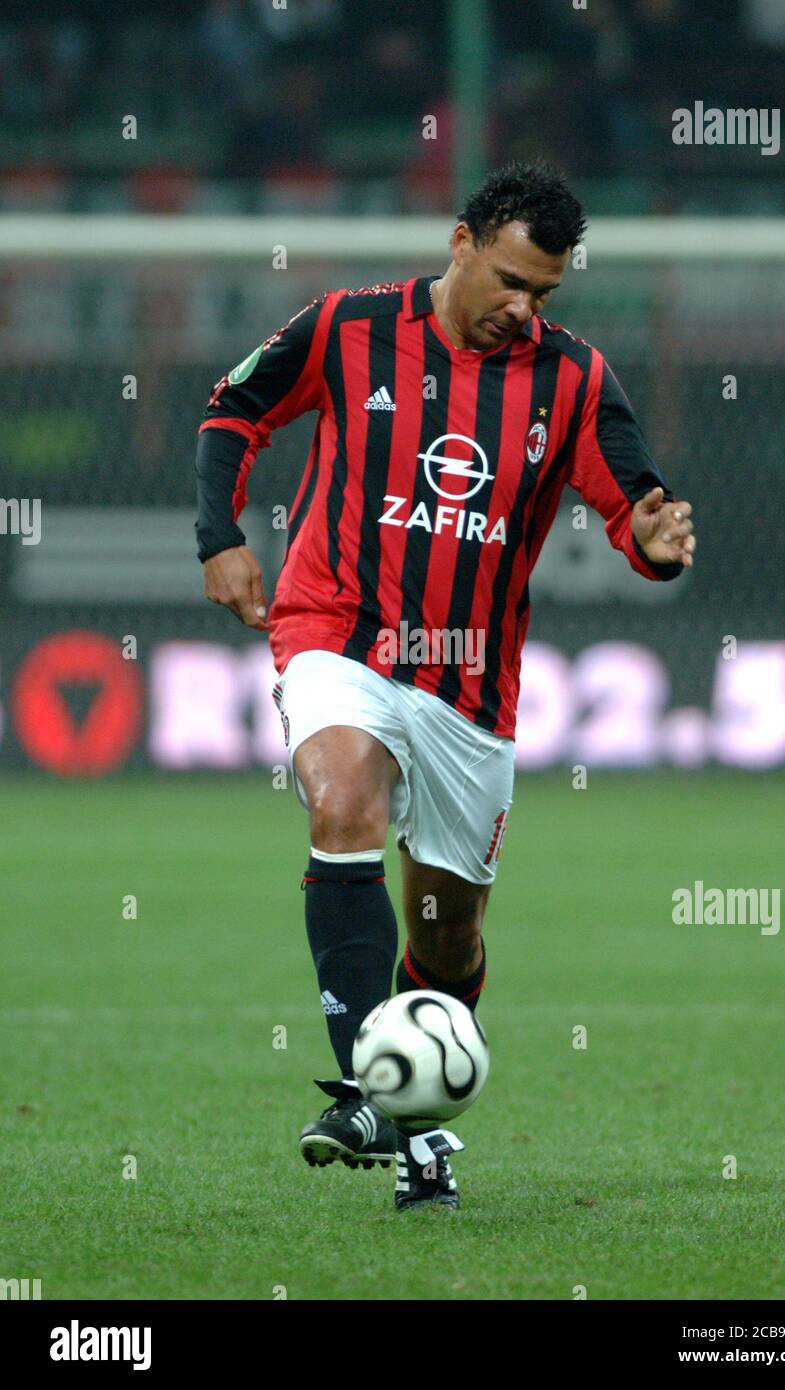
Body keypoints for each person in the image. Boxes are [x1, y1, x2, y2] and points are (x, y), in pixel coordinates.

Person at [194, 160, 696, 1211]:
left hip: (470, 685)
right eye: (510, 280)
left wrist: (653, 538)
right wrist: (219, 538)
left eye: (543, 293)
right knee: (341, 802)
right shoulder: (344, 326)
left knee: (446, 932)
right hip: (336, 630)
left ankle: (413, 1127)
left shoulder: (574, 379)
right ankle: (366, 1098)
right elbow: (234, 407)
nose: (522, 308)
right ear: (460, 242)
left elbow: (634, 508)